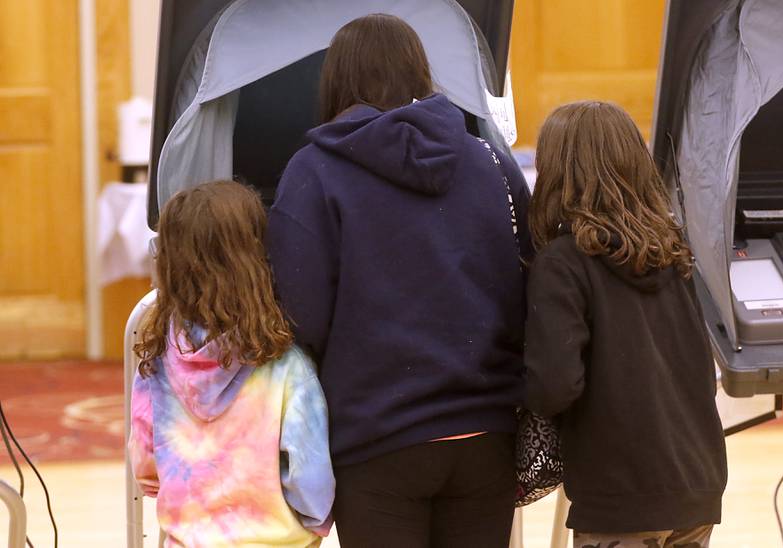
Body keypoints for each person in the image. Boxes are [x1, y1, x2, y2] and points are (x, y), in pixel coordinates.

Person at [268, 14, 531, 548]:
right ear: (420, 72)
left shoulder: (313, 171)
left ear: (336, 80)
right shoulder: (489, 162)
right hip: (487, 433)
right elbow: (527, 282)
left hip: (377, 440)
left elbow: (298, 317)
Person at [524, 101, 727, 548]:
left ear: (557, 170)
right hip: (697, 484)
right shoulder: (674, 251)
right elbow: (702, 374)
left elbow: (554, 384)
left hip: (622, 495)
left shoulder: (562, 262)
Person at [128, 181, 334, 548]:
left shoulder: (155, 360)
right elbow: (310, 480)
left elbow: (145, 464)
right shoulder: (286, 365)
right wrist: (312, 525)